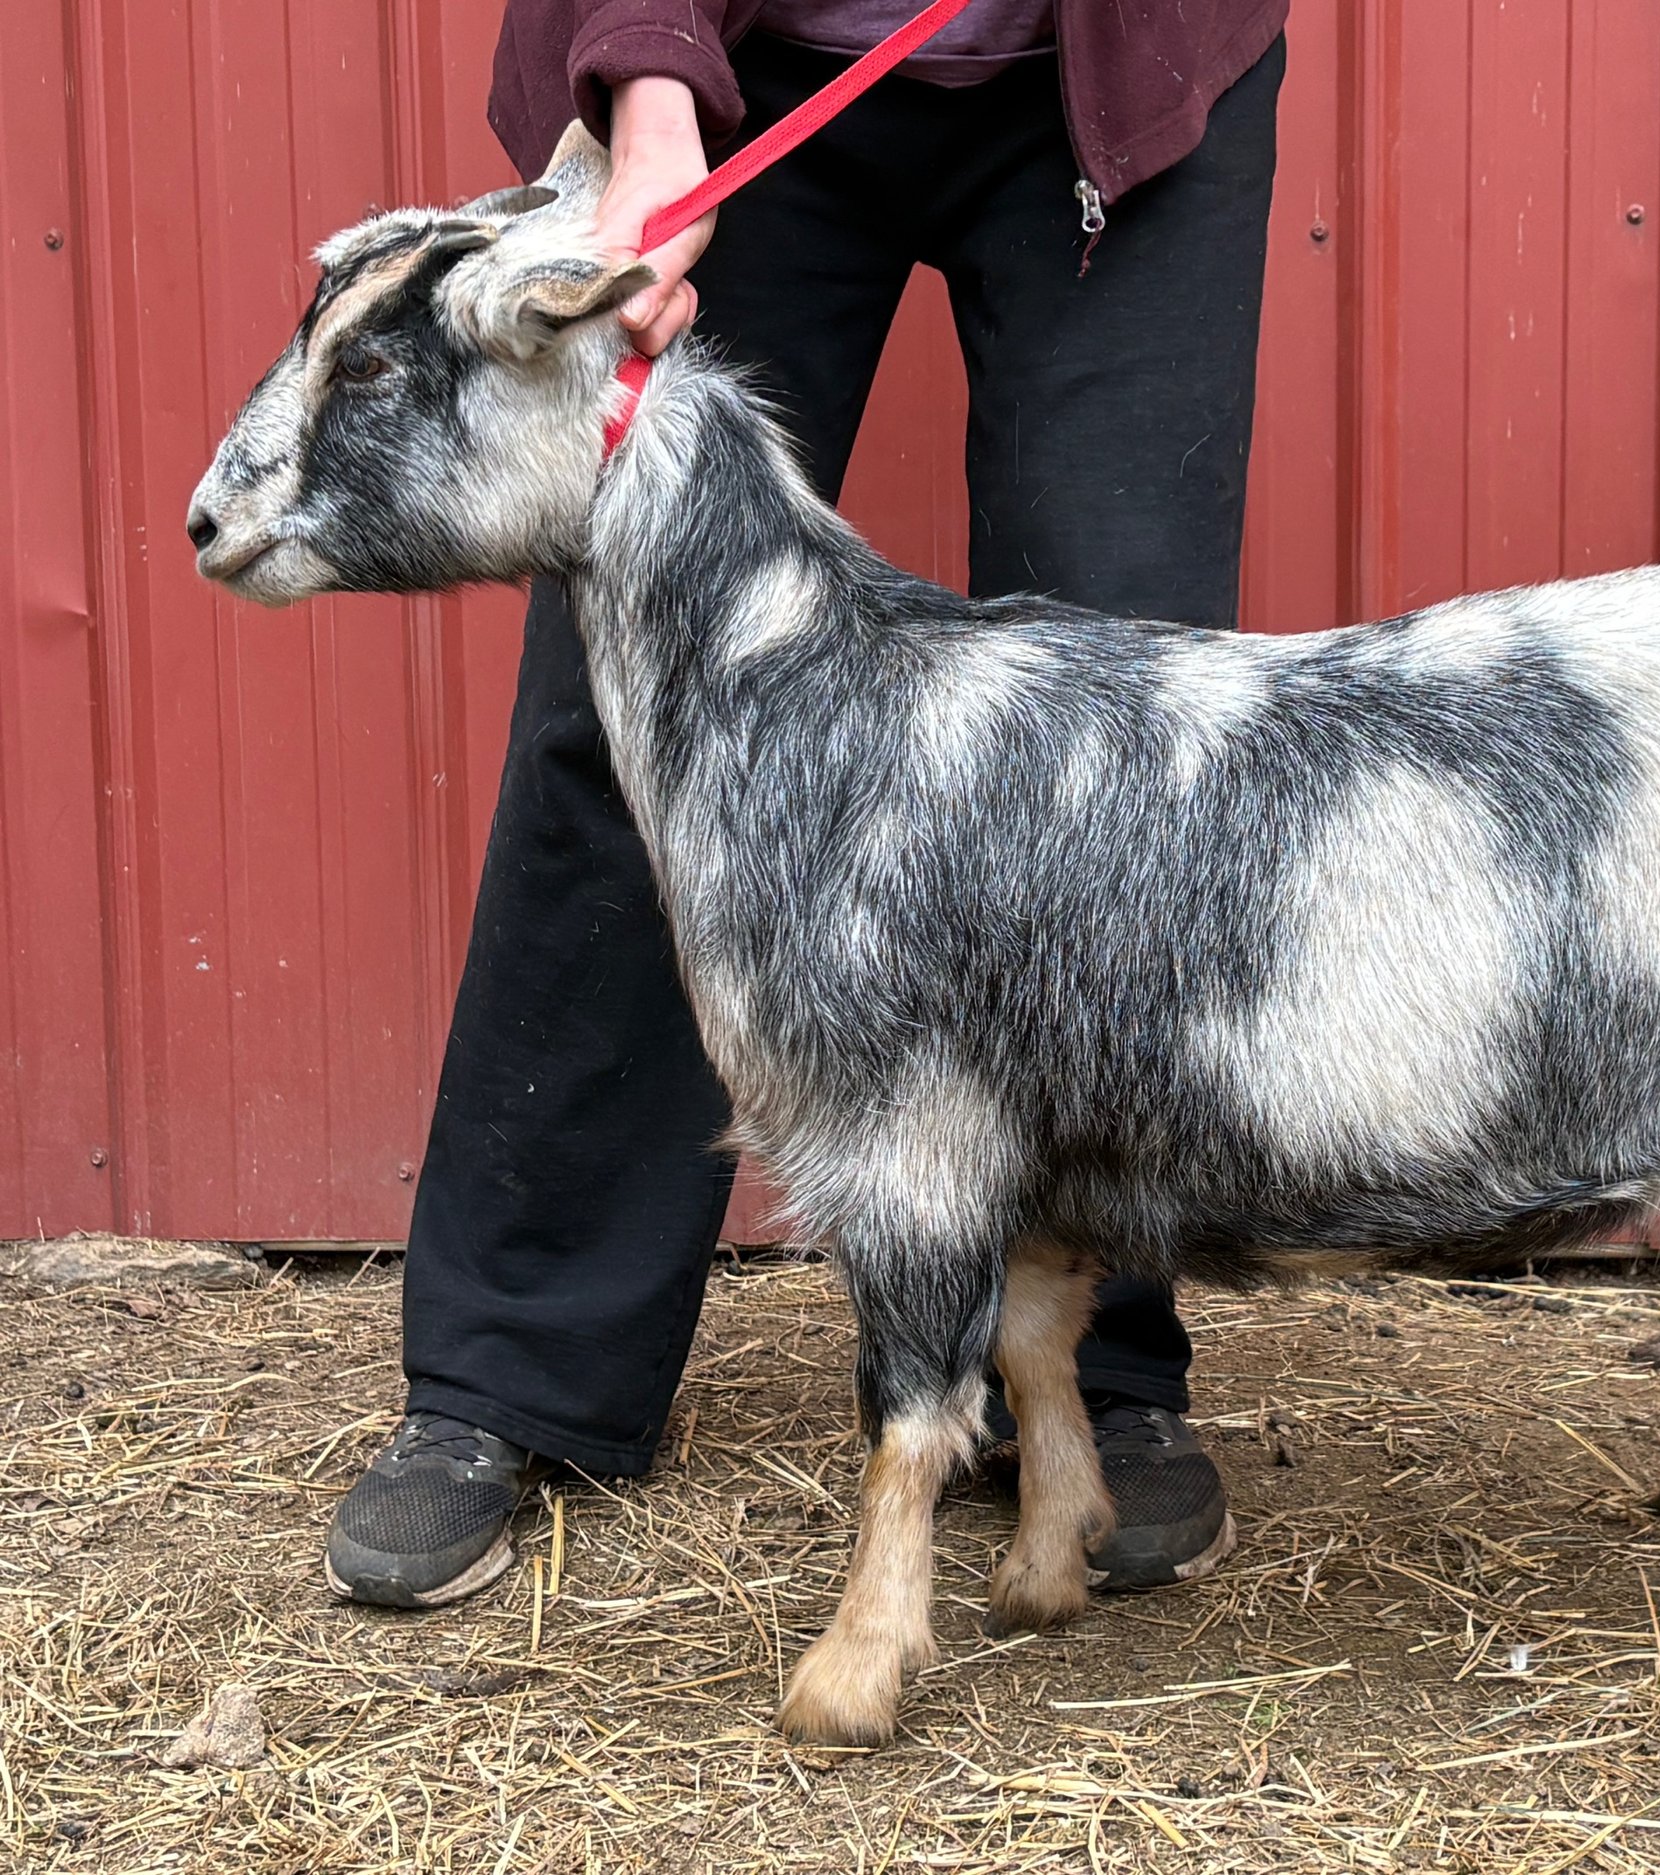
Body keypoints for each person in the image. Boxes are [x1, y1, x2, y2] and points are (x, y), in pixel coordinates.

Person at [324, 0, 1287, 1610]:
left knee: (1123, 741)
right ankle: (515, 1368)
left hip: (1112, 79)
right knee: (638, 704)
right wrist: (649, 93)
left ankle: (1087, 1368)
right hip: (743, 70)